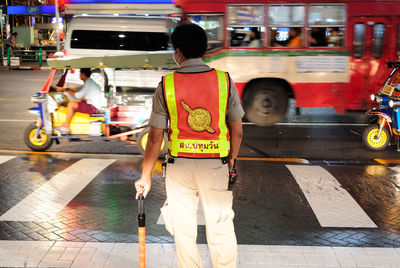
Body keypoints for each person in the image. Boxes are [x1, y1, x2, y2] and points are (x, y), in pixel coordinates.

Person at [134, 23, 244, 268]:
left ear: (178, 52)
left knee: (183, 232)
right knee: (221, 229)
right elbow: (237, 130)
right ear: (203, 49)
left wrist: (146, 176)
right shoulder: (224, 81)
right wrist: (232, 161)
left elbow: (154, 137)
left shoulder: (167, 84)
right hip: (216, 166)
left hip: (179, 168)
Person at [54, 68, 103, 134]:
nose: (79, 75)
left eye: (80, 73)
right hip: (93, 104)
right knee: (77, 101)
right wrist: (67, 89)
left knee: (71, 104)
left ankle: (66, 126)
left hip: (94, 107)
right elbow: (81, 94)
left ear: (83, 75)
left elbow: (77, 95)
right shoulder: (90, 82)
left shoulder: (88, 84)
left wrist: (66, 90)